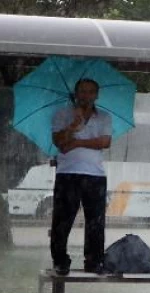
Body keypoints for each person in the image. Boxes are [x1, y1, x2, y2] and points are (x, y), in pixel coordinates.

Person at [50, 78, 113, 276]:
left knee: (95, 220)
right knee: (62, 219)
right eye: (83, 91)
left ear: (96, 95)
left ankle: (94, 260)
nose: (86, 95)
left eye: (90, 92)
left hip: (95, 174)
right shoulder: (62, 114)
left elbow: (105, 142)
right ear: (76, 94)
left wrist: (77, 143)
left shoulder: (104, 117)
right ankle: (60, 260)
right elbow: (59, 142)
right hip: (67, 174)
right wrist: (72, 127)